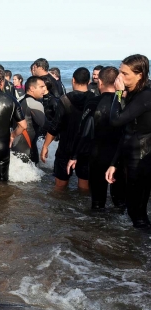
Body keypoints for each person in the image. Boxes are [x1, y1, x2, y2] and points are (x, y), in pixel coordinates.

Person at [66, 66, 125, 211]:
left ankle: (97, 230)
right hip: (120, 157)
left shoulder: (93, 102)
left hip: (98, 155)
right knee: (120, 201)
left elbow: (83, 131)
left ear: (100, 82)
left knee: (98, 202)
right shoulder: (125, 102)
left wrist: (74, 155)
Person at [106, 54, 151, 228]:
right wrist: (114, 163)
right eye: (119, 72)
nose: (119, 78)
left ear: (139, 74)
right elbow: (126, 131)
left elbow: (116, 120)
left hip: (143, 159)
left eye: (125, 74)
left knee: (137, 213)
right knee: (132, 210)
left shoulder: (146, 95)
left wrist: (117, 93)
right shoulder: (134, 93)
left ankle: (141, 252)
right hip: (131, 155)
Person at [40, 67, 95, 189]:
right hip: (86, 147)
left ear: (73, 80)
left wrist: (45, 146)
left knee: (60, 186)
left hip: (66, 147)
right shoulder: (94, 99)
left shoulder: (65, 100)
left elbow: (55, 126)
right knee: (84, 186)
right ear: (89, 81)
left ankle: (60, 207)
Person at [11, 76, 46, 164]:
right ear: (31, 88)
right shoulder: (34, 104)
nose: (44, 90)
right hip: (27, 149)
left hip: (15, 147)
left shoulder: (18, 101)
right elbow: (45, 125)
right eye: (41, 87)